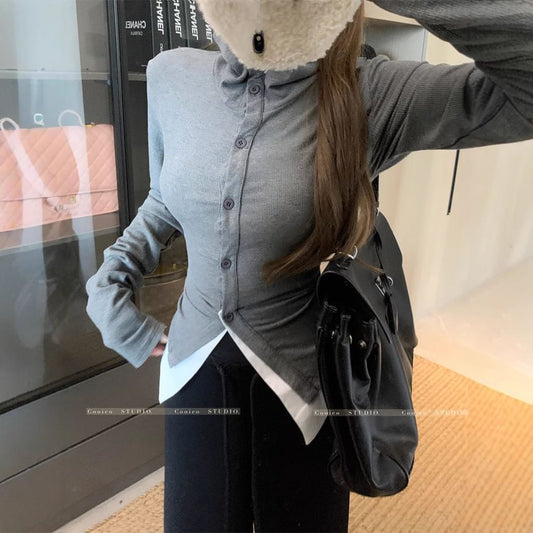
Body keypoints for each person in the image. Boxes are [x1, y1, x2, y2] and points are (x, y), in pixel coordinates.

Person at [85, 1, 533, 531]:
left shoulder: (367, 91)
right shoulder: (170, 74)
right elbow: (164, 197)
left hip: (303, 381)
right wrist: (112, 278)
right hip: (191, 365)